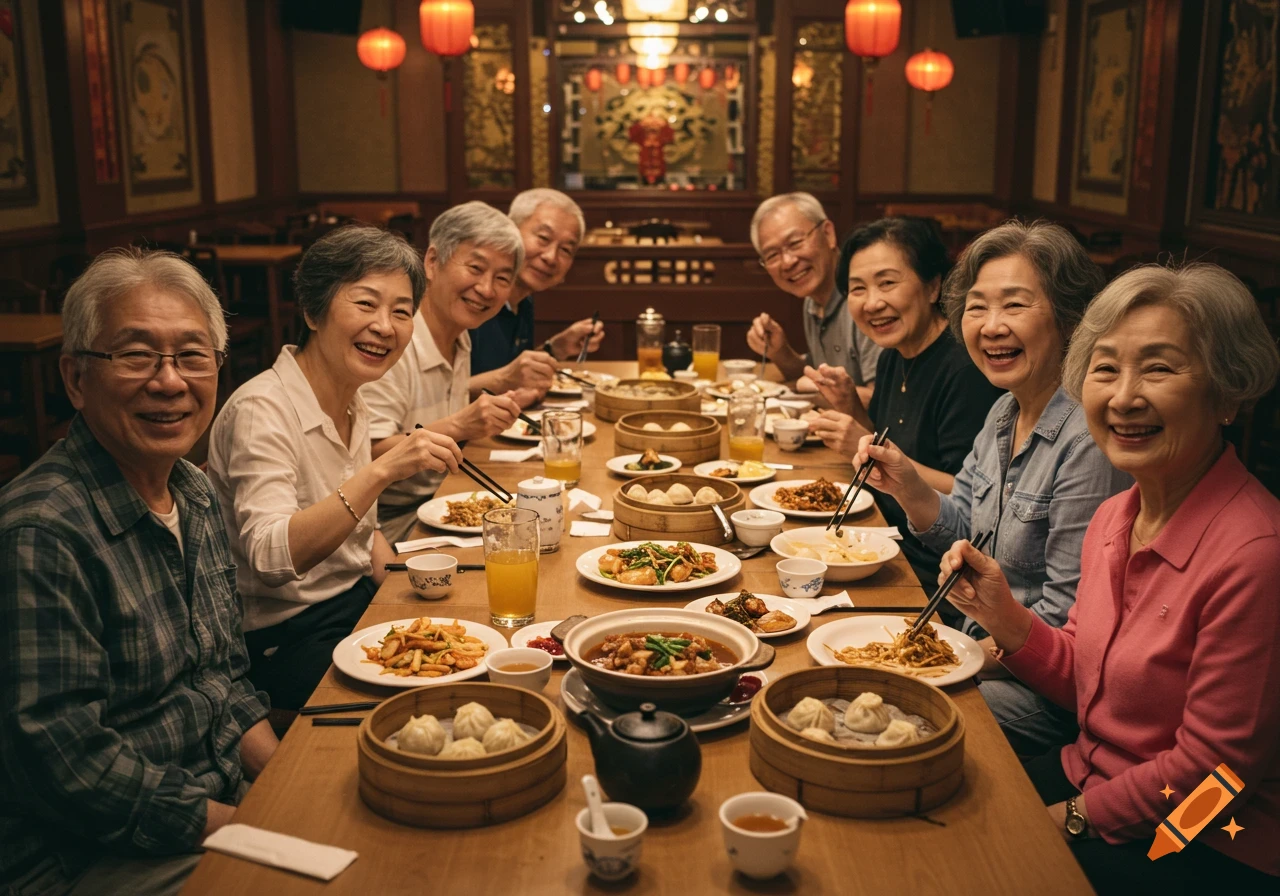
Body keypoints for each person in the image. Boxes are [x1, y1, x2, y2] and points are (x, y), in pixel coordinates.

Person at [939, 264, 1280, 892]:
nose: (1124, 397)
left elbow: (1219, 773)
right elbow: (1088, 684)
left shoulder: (1255, 552)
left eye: (1158, 368)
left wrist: (1071, 820)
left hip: (1203, 839)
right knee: (924, 805)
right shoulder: (1114, 518)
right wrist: (1003, 617)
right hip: (1089, 777)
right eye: (1104, 368)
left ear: (1228, 394)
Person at [0, 249, 277, 896]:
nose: (169, 381)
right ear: (74, 378)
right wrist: (249, 831)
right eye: (135, 355)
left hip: (208, 802)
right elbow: (66, 764)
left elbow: (222, 681)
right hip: (88, 855)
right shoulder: (42, 535)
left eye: (192, 355)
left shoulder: (195, 492)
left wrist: (289, 783)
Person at [851, 221, 1131, 755]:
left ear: (1070, 317)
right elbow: (968, 533)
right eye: (977, 307)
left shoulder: (1088, 441)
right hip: (971, 641)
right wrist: (910, 487)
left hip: (1036, 691)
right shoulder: (1005, 410)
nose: (991, 326)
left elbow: (1064, 624)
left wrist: (951, 660)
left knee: (879, 723)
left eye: (1016, 306)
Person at [207, 226, 463, 711]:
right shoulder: (263, 409)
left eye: (402, 312)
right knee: (434, 703)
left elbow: (363, 538)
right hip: (284, 639)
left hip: (352, 607)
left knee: (469, 645)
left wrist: (408, 584)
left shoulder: (352, 398)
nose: (385, 326)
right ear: (312, 311)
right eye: (365, 304)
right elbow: (272, 556)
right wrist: (382, 470)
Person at [812, 217, 1003, 591]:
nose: (872, 302)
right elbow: (891, 442)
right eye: (857, 288)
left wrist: (868, 444)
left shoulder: (964, 368)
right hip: (886, 544)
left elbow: (964, 493)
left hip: (934, 573)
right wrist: (851, 406)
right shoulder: (894, 354)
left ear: (933, 287)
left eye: (887, 283)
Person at [362, 202, 528, 544]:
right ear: (433, 262)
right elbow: (367, 452)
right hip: (381, 526)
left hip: (436, 503)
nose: (486, 288)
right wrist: (459, 426)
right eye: (476, 268)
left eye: (502, 278)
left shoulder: (460, 336)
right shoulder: (391, 341)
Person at [468, 189, 604, 403]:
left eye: (566, 250)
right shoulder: (474, 297)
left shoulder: (523, 301)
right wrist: (504, 381)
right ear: (509, 229)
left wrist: (556, 348)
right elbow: (439, 393)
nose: (551, 257)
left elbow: (512, 373)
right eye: (543, 238)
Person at [745, 192, 881, 404]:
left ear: (828, 234)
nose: (787, 262)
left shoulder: (866, 297)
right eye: (772, 255)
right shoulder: (813, 300)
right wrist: (780, 352)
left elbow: (886, 402)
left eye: (796, 242)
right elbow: (816, 376)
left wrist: (810, 391)